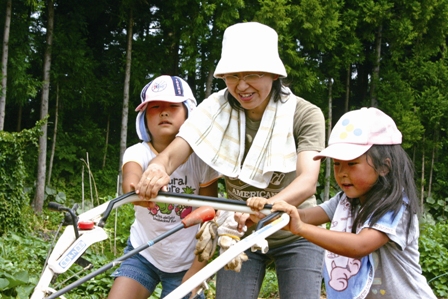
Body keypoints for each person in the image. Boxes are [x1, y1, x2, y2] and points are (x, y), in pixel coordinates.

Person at [136, 22, 326, 299]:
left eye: (253, 74)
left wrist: (268, 207)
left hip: (295, 232)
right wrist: (157, 168)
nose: (242, 85)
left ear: (274, 74)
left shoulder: (304, 114)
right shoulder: (214, 109)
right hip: (238, 230)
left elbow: (308, 181)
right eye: (233, 75)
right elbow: (176, 151)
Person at [261, 107, 437, 299]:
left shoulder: (395, 206)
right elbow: (303, 216)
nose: (342, 172)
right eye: (337, 164)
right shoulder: (345, 201)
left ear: (384, 167)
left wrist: (300, 228)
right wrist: (272, 210)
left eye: (352, 164)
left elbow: (360, 246)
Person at [107, 75, 220, 299]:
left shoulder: (202, 159)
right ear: (144, 118)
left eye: (173, 106)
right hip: (143, 254)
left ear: (189, 114)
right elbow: (130, 181)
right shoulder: (137, 152)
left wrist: (196, 273)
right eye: (155, 107)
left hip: (187, 262)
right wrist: (137, 189)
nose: (164, 112)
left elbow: (211, 219)